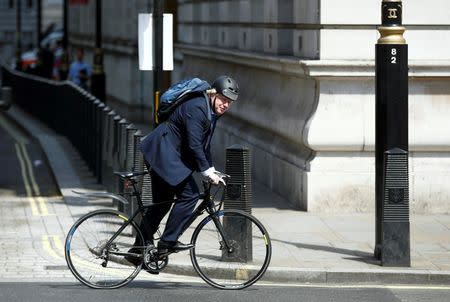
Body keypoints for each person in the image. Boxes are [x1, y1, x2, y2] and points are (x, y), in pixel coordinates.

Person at [126, 76, 239, 268]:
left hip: (168, 156)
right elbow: (194, 144)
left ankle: (138, 251)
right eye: (223, 99)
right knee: (190, 196)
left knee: (161, 205)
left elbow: (205, 146)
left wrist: (212, 170)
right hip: (163, 154)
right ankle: (166, 243)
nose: (225, 105)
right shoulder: (197, 108)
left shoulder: (211, 111)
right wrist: (205, 171)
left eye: (229, 102)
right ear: (213, 94)